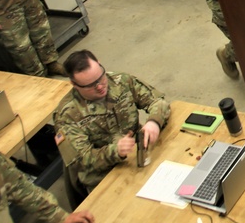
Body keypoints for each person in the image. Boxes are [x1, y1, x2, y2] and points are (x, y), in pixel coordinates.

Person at [53, 50, 170, 191]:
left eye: (100, 78)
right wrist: (115, 151)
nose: (100, 86)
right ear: (74, 84)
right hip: (103, 176)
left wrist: (154, 122)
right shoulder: (67, 115)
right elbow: (80, 161)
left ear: (100, 64)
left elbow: (157, 101)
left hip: (139, 154)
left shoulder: (121, 82)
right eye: (90, 85)